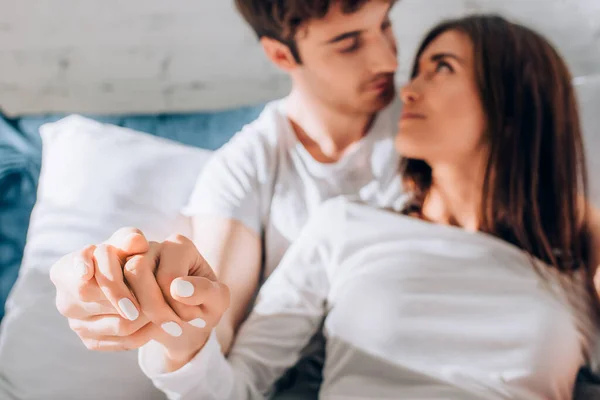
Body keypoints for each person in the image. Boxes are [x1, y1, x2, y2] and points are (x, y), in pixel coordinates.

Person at [128, 14, 600, 399]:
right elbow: (234, 388)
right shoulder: (343, 224)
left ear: (516, 108)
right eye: (350, 42)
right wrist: (182, 344)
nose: (406, 85)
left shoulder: (574, 269)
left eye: (442, 68)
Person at [49, 0, 403, 397]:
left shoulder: (436, 125)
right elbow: (216, 318)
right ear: (281, 54)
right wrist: (169, 315)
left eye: (385, 25)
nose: (388, 59)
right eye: (348, 43)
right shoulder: (245, 168)